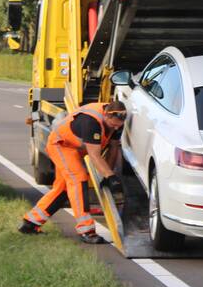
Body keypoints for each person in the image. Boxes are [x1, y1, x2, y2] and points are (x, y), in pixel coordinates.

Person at [19, 101, 126, 243]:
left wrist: (107, 174)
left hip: (75, 149)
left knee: (62, 189)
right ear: (106, 115)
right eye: (114, 124)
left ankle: (30, 223)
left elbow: (113, 148)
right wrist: (111, 177)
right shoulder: (91, 122)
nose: (117, 127)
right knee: (78, 178)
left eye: (119, 125)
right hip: (61, 145)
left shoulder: (117, 120)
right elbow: (94, 155)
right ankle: (86, 231)